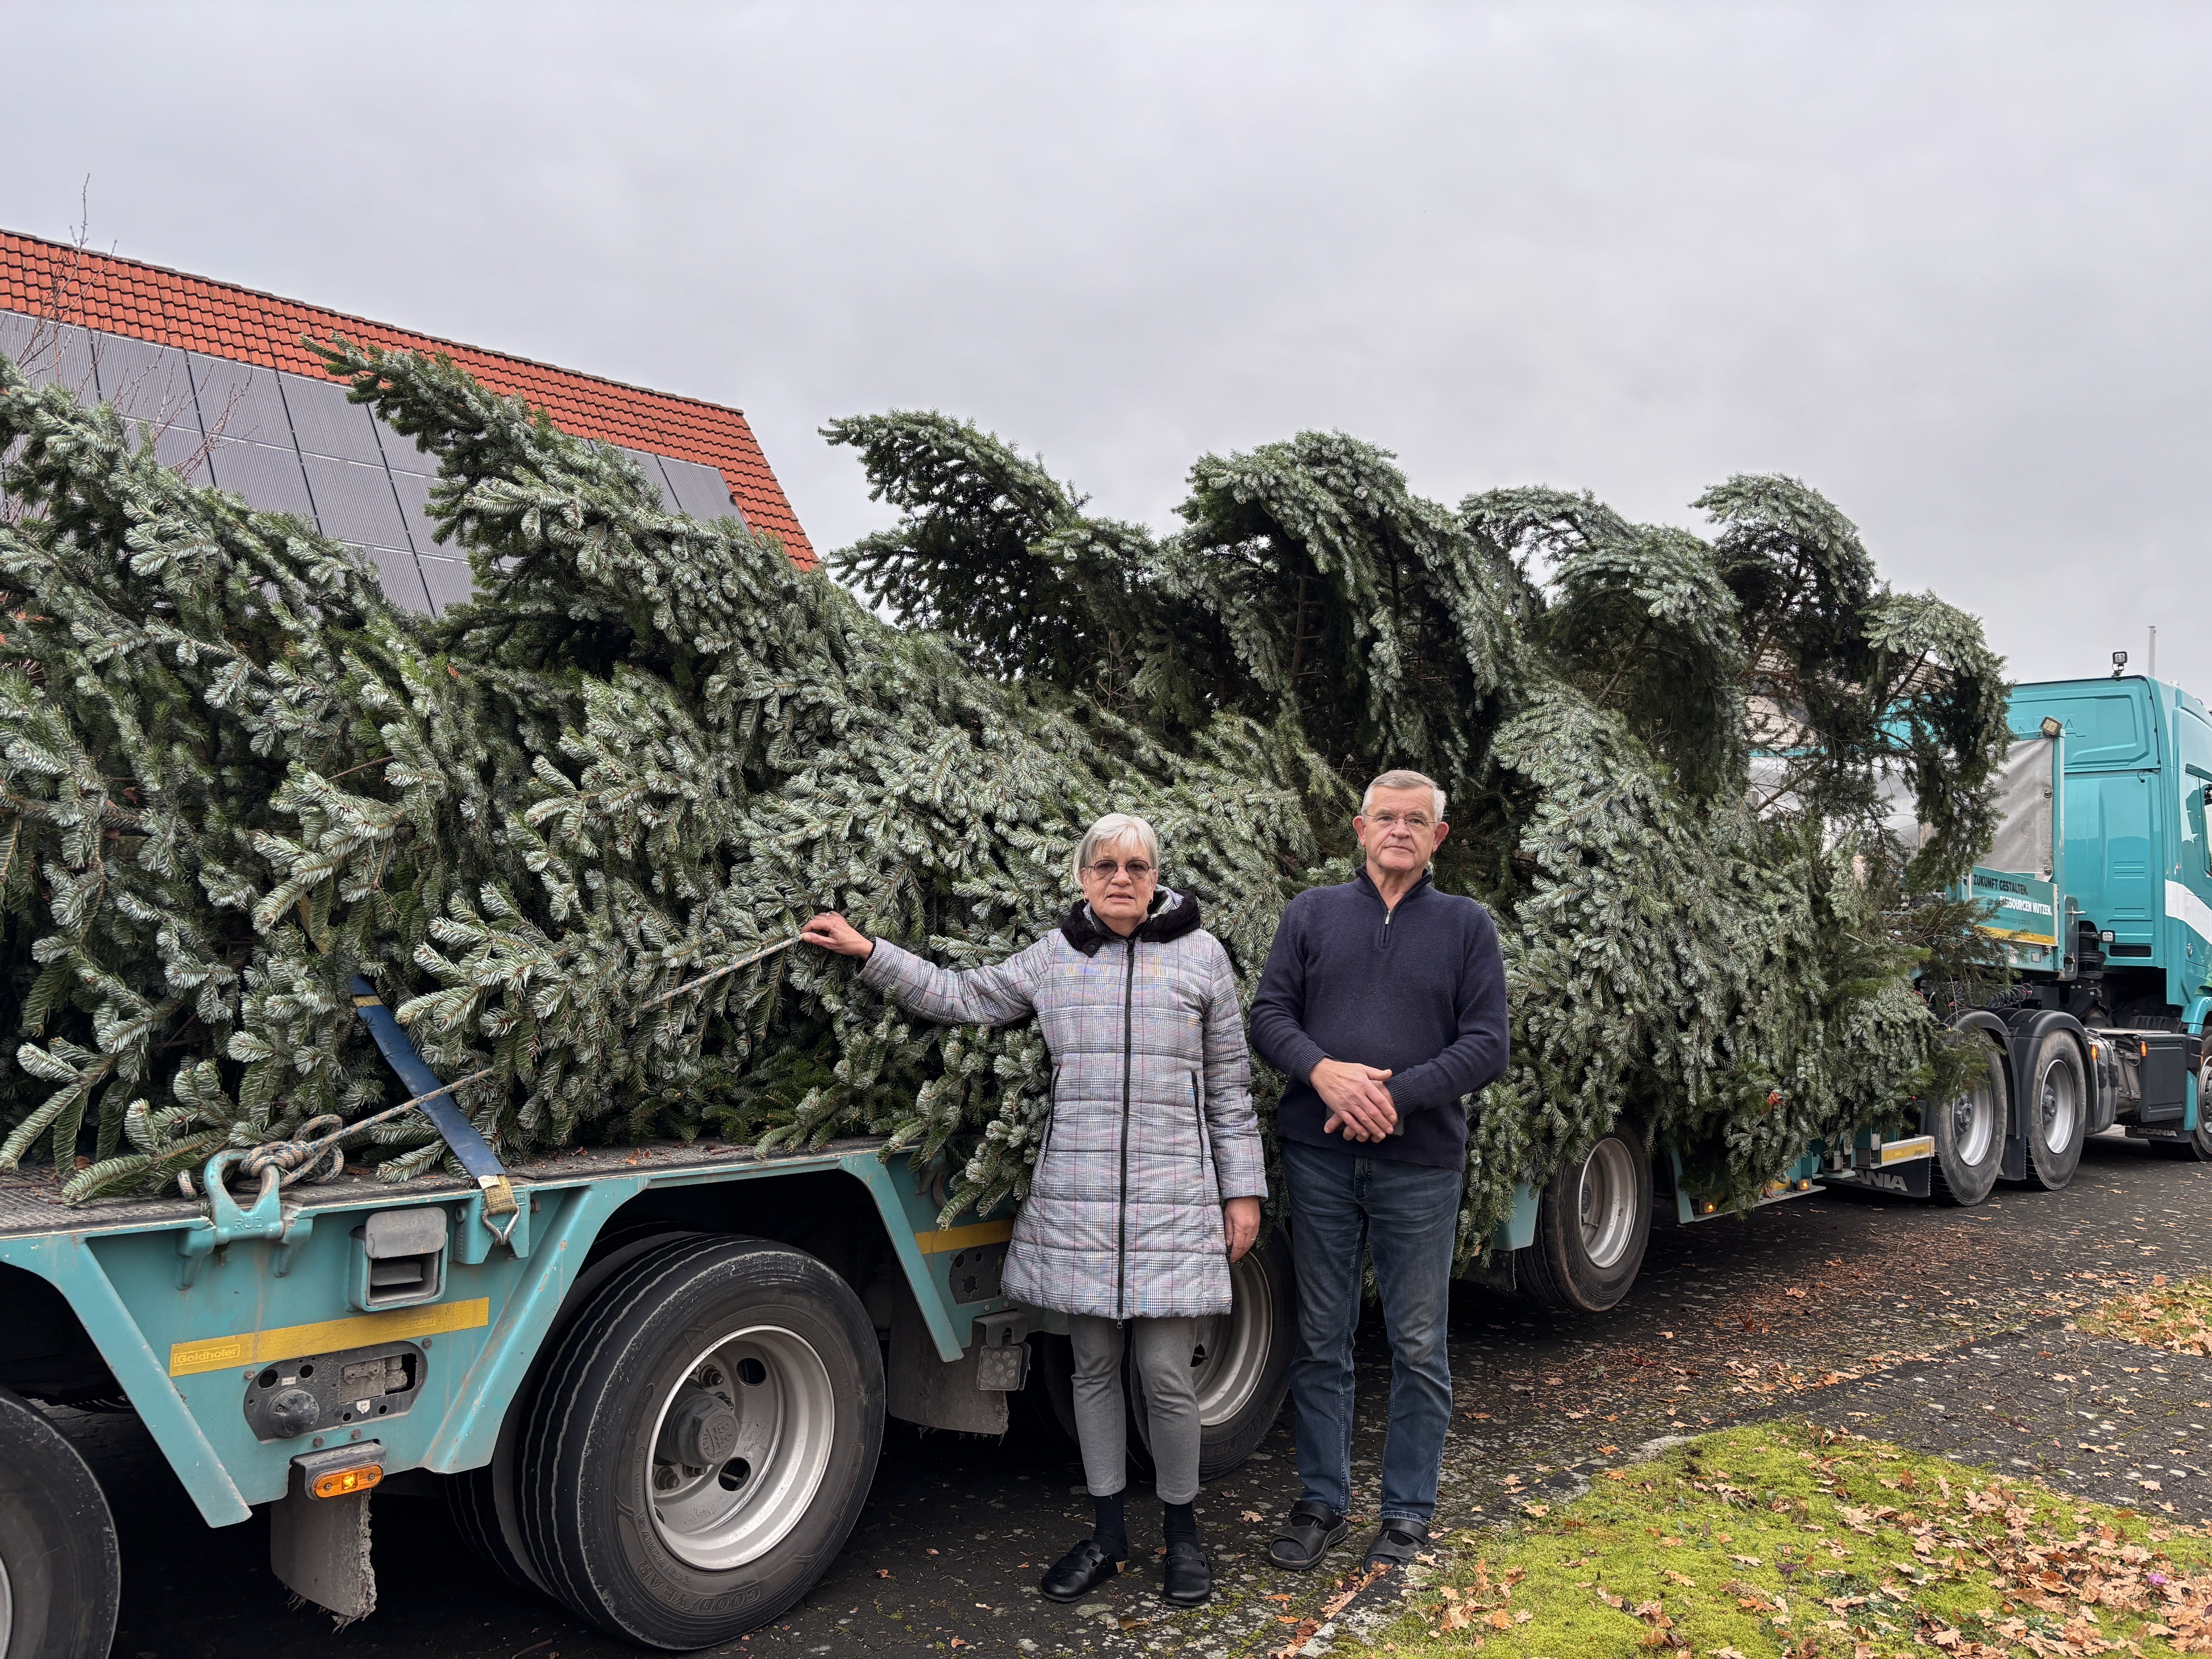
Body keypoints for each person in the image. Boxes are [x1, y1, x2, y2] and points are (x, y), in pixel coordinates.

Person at [800, 812, 1265, 1609]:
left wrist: (1243, 1191)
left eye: (1138, 866)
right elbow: (964, 994)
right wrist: (871, 954)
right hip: (1078, 1205)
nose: (1123, 878)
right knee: (1091, 1368)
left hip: (1174, 1202)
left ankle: (1183, 1538)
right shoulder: (1057, 958)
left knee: (1163, 1374)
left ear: (1159, 878)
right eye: (1106, 865)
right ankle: (1108, 1536)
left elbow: (1228, 1087)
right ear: (1083, 877)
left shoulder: (1201, 958)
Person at [1248, 768, 1508, 1575]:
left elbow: (1487, 1044)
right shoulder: (1313, 913)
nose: (1400, 830)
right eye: (1385, 817)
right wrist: (1325, 1073)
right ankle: (1322, 1500)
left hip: (1419, 1168)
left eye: (1416, 820)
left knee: (1418, 1342)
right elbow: (1268, 1015)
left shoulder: (1467, 926)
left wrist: (1395, 1098)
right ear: (1359, 831)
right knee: (1321, 1339)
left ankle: (1406, 1513)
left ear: (1439, 838)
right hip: (1320, 1158)